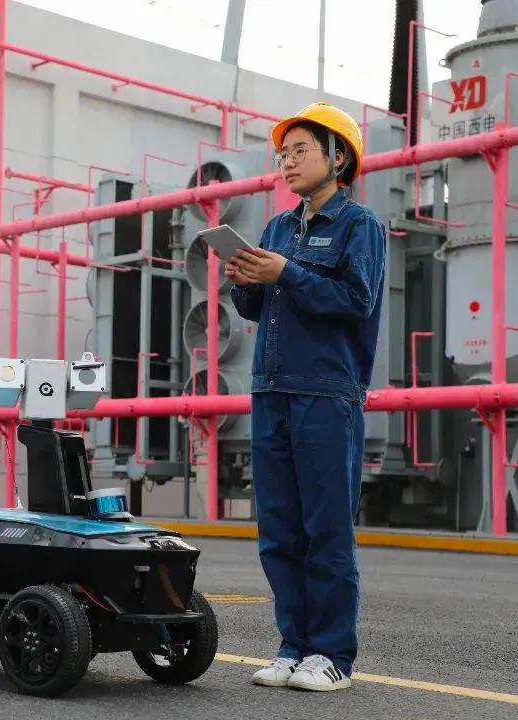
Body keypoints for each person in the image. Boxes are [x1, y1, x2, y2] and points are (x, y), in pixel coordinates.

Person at [225, 102, 386, 692]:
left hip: (326, 393)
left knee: (326, 531)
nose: (287, 163)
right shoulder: (275, 229)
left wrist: (286, 274)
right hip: (270, 391)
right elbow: (260, 309)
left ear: (337, 157)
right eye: (282, 154)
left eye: (300, 151)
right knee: (279, 532)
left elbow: (357, 302)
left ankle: (332, 656)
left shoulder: (359, 225)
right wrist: (243, 284)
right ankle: (293, 647)